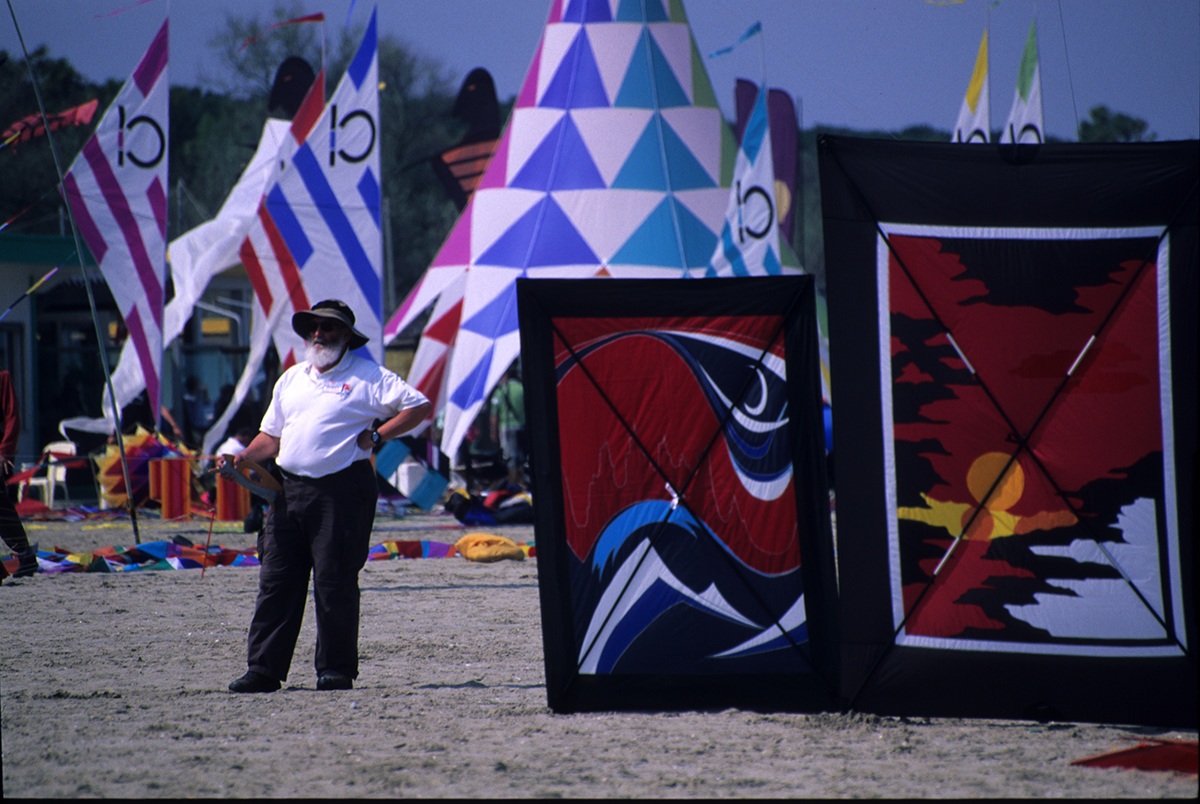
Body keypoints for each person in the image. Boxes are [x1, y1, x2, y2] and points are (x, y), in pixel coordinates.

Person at [219, 300, 430, 693]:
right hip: (288, 489)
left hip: (342, 491)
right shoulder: (291, 379)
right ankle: (263, 669)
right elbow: (273, 437)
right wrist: (242, 457)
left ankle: (335, 669)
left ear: (347, 336)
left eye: (329, 328)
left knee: (334, 581)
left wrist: (379, 435)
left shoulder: (369, 376)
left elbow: (418, 406)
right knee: (276, 579)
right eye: (313, 327)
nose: (319, 334)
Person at [0, 370, 38, 579]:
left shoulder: (2, 378)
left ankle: (25, 556)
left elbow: (12, 416)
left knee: (2, 508)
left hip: (0, 454)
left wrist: (5, 451)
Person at [489, 365, 525, 485]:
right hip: (521, 426)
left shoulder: (500, 391)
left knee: (509, 456)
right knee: (521, 455)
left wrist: (493, 432)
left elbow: (494, 414)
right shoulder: (521, 387)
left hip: (507, 427)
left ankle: (513, 482)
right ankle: (522, 481)